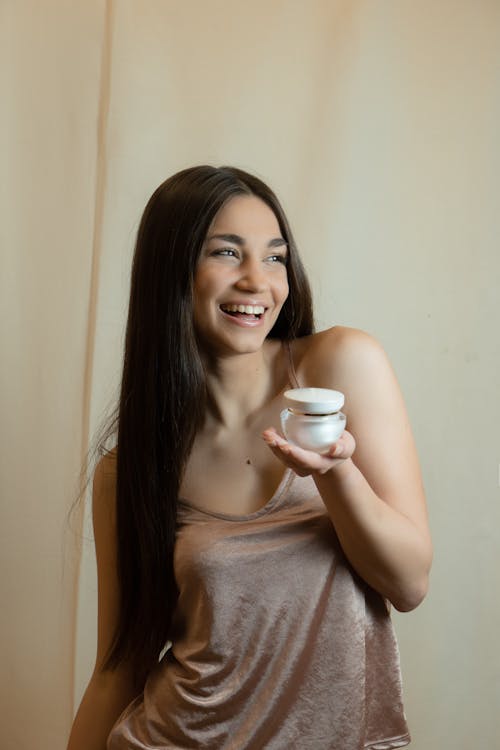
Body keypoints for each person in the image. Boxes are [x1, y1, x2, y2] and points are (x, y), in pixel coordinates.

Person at [67, 165, 432, 750]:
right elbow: (119, 669)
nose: (257, 282)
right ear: (172, 272)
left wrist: (336, 474)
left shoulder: (340, 365)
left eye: (275, 257)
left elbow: (409, 582)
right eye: (226, 253)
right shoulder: (130, 470)